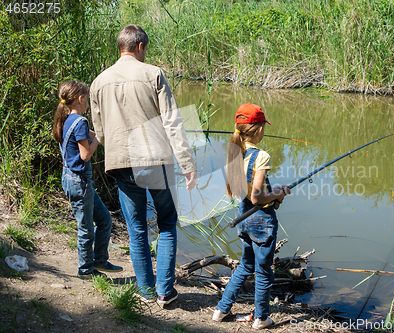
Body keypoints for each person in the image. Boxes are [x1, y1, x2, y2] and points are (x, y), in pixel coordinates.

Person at [90, 24, 197, 307]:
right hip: (155, 161)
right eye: (145, 49)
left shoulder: (98, 82)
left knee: (136, 228)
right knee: (167, 224)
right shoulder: (154, 74)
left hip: (120, 164)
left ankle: (146, 292)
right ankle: (165, 292)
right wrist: (187, 163)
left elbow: (99, 132)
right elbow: (173, 123)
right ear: (139, 47)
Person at [213, 103, 290, 330]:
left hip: (244, 216)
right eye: (263, 126)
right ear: (257, 129)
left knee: (246, 266)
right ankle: (261, 318)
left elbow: (244, 193)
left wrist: (274, 194)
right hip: (260, 219)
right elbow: (257, 197)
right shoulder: (261, 156)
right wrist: (278, 193)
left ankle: (221, 310)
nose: (264, 130)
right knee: (264, 271)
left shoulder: (236, 151)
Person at [52, 80, 123, 279]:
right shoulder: (81, 122)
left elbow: (89, 135)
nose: (89, 103)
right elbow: (85, 155)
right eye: (88, 99)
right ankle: (86, 271)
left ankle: (99, 260)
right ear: (81, 99)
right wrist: (98, 141)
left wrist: (101, 132)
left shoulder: (67, 119)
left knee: (105, 219)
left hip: (72, 180)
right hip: (79, 182)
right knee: (86, 229)